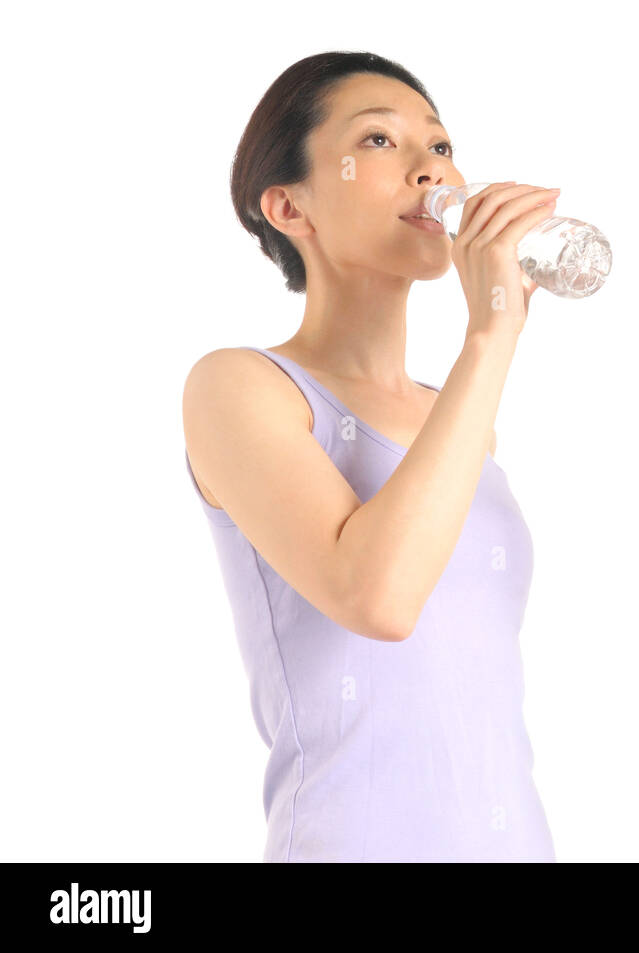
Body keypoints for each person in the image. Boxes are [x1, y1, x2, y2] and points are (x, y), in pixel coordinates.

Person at [182, 51, 560, 861]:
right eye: (381, 142)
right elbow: (379, 597)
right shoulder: (240, 387)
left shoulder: (459, 417)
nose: (432, 168)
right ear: (289, 206)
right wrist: (493, 332)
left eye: (443, 145)